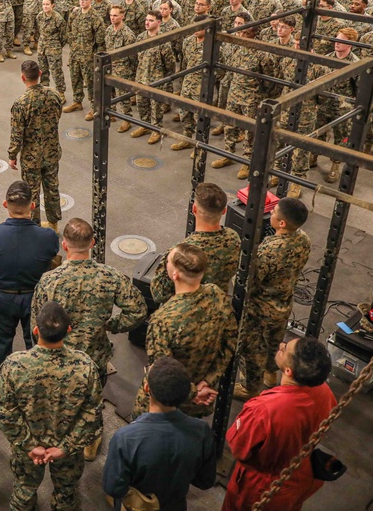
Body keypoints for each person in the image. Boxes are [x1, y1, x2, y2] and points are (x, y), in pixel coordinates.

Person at [31, 217, 146, 459]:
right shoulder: (109, 276)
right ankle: (90, 440)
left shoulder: (49, 280)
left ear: (64, 245)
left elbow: (38, 321)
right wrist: (112, 325)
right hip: (95, 353)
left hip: (60, 353)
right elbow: (138, 309)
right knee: (93, 397)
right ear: (93, 242)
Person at [0, 301, 102, 511]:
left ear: (35, 331)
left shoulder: (14, 366)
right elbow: (92, 415)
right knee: (67, 493)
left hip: (27, 450)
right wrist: (65, 448)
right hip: (67, 449)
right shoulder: (85, 366)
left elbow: (6, 413)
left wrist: (28, 444)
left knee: (24, 489)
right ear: (68, 330)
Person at [223, 337, 337, 511]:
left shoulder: (264, 410)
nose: (281, 345)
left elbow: (239, 448)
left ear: (289, 371)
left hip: (262, 487)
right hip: (300, 476)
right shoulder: (324, 392)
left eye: (285, 349)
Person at [134, 244, 238, 418]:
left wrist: (192, 393)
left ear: (174, 275)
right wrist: (207, 382)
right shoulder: (217, 294)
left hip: (167, 403)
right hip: (202, 395)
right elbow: (230, 341)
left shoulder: (163, 320)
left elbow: (163, 374)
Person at [103, 357, 217, 511]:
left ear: (146, 389)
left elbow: (113, 487)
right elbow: (205, 481)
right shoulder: (202, 431)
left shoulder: (125, 438)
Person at [0, 181, 60, 396]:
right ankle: (35, 383)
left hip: (0, 297)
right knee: (35, 342)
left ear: (5, 204)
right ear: (33, 206)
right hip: (34, 297)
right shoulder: (48, 238)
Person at [235, 198, 312, 399]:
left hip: (260, 310)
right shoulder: (303, 239)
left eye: (275, 212)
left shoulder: (270, 250)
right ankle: (271, 375)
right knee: (274, 342)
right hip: (283, 304)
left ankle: (249, 387)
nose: (272, 214)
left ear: (282, 223)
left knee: (252, 349)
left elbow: (251, 281)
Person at [150, 183, 241, 304]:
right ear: (224, 211)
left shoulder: (182, 253)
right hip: (218, 305)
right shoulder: (234, 238)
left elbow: (159, 294)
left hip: (186, 310)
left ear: (194, 209)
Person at [8, 60, 63, 229]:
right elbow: (58, 116)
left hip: (31, 156)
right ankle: (53, 223)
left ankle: (34, 226)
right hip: (52, 151)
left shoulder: (21, 103)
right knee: (52, 187)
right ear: (40, 74)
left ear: (22, 78)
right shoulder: (54, 95)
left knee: (31, 192)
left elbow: (17, 134)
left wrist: (12, 155)